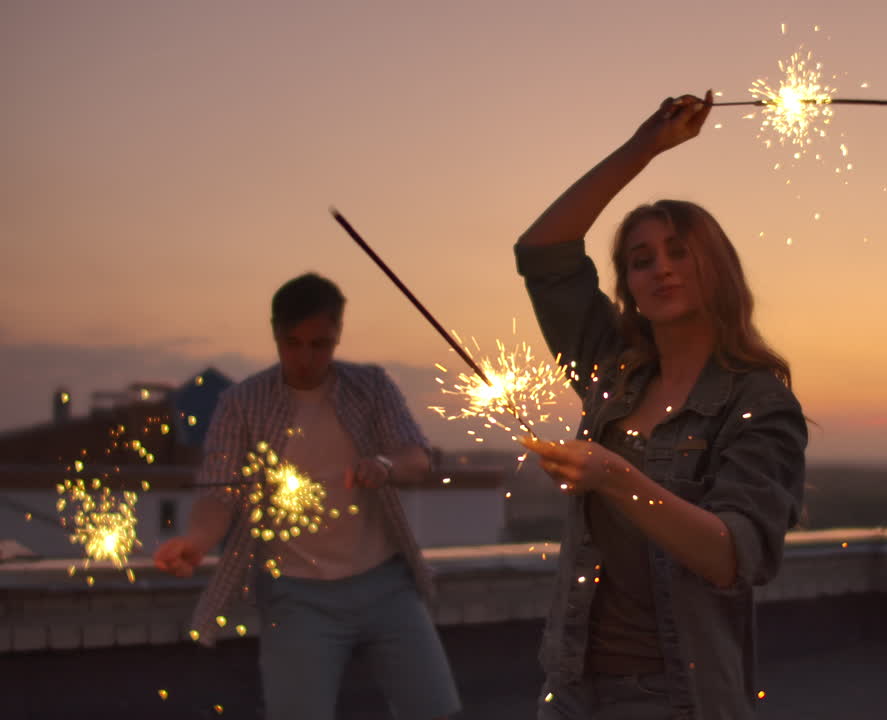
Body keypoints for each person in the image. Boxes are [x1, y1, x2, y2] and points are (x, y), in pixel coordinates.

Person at [514, 91, 807, 720]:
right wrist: (645, 145)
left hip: (678, 694)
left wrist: (615, 476)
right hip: (570, 679)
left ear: (717, 268)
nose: (661, 270)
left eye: (679, 252)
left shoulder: (759, 400)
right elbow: (542, 252)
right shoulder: (612, 370)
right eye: (641, 261)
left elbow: (732, 555)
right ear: (628, 286)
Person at [153, 272, 460, 720]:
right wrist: (196, 541)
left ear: (337, 336)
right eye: (293, 343)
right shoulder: (242, 403)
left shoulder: (370, 386)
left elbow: (417, 457)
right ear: (275, 334)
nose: (305, 358)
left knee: (436, 709)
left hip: (385, 583)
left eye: (320, 345)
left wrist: (385, 466)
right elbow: (220, 490)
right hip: (296, 596)